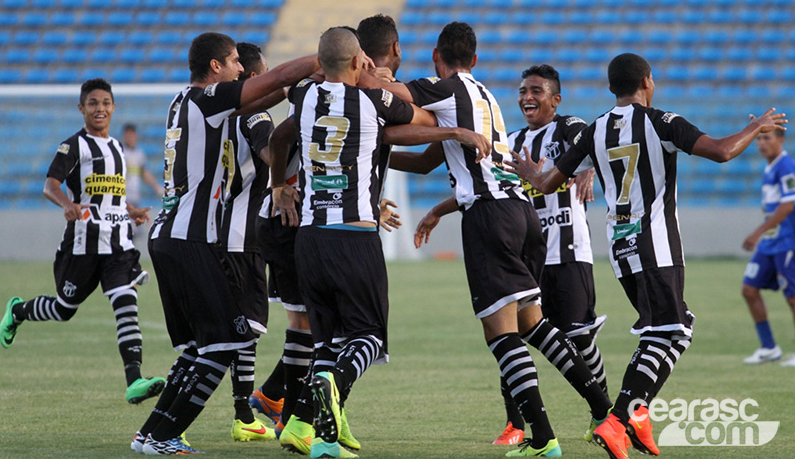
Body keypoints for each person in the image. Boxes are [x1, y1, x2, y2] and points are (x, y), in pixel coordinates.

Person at [506, 53, 787, 459]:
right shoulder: (661, 122)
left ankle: (635, 415)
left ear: (611, 88)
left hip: (620, 248)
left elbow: (548, 182)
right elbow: (722, 151)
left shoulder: (595, 130)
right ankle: (620, 418)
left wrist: (530, 172)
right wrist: (755, 126)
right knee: (669, 331)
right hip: (656, 243)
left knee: (671, 329)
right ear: (647, 82)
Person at [365, 22, 613, 458]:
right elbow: (425, 161)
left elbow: (386, 96)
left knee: (501, 335)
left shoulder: (445, 88)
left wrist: (370, 75)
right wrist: (375, 153)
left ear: (437, 56)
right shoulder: (486, 98)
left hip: (489, 216)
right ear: (476, 59)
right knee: (534, 325)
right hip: (522, 214)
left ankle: (542, 438)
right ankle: (605, 413)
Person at [269, 26, 464, 459]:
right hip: (354, 235)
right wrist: (452, 132)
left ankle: (318, 436)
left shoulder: (303, 95)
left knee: (327, 342)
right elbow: (421, 122)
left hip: (309, 237)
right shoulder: (374, 99)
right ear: (360, 61)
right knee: (370, 337)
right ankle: (332, 384)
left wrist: (279, 184)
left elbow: (278, 137)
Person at [131, 32, 320, 455]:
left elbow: (261, 98)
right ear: (215, 67)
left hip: (170, 235)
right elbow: (271, 83)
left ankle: (149, 433)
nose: (240, 69)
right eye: (234, 61)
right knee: (227, 344)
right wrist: (322, 63)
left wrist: (296, 92)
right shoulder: (207, 99)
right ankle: (165, 436)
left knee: (198, 348)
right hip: (192, 237)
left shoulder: (182, 101)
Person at [0, 78, 165, 405]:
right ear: (81, 108)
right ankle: (18, 311)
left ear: (113, 107)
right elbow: (50, 185)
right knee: (63, 309)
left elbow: (111, 196)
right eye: (93, 103)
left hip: (117, 244)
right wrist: (67, 205)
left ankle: (134, 380)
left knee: (126, 305)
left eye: (105, 103)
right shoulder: (73, 146)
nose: (100, 108)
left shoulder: (119, 148)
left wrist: (130, 210)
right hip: (83, 245)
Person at [498, 65, 608, 445]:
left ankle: (603, 414)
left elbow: (594, 145)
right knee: (510, 334)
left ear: (555, 99)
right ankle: (515, 425)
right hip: (527, 260)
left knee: (579, 338)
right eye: (523, 91)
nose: (527, 97)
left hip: (569, 252)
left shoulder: (568, 128)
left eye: (536, 91)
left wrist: (588, 169)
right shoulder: (511, 141)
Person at [219, 42, 280, 442]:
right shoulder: (256, 115)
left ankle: (248, 410)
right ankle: (244, 413)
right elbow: (269, 152)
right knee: (246, 328)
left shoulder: (219, 116)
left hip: (219, 231)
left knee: (235, 327)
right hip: (244, 238)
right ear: (255, 78)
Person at [740, 128, 795, 366]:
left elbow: (788, 205)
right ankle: (769, 347)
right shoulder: (770, 167)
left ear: (780, 140)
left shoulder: (786, 166)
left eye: (767, 138)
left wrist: (757, 232)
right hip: (771, 242)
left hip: (787, 241)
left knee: (793, 298)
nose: (761, 143)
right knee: (749, 289)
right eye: (759, 138)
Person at [122, 123, 164, 209]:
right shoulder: (120, 152)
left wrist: (156, 187)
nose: (130, 138)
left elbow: (144, 172)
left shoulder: (139, 154)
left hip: (135, 197)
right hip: (122, 197)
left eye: (132, 135)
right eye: (128, 135)